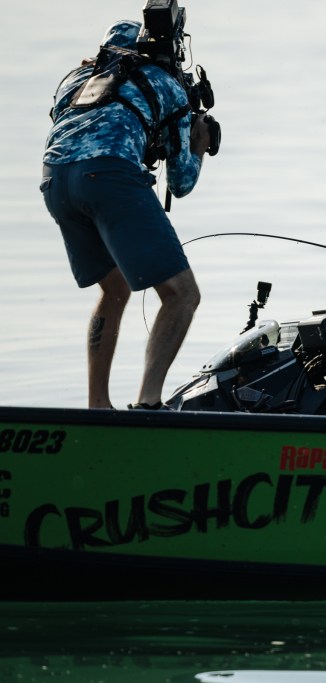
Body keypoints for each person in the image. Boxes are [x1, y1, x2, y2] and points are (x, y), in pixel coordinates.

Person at [40, 19, 214, 410]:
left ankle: (97, 405)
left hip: (55, 182)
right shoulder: (164, 83)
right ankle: (149, 403)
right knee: (182, 294)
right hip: (109, 175)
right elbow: (181, 182)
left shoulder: (74, 81)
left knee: (114, 289)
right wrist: (198, 144)